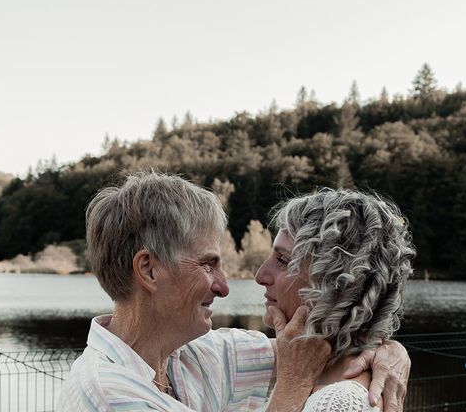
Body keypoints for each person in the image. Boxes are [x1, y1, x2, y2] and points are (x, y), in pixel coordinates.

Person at [58, 171, 410, 411]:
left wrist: (389, 351)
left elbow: (312, 351)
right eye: (208, 265)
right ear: (149, 270)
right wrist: (291, 387)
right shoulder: (110, 397)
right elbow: (298, 365)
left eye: (283, 259)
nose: (225, 286)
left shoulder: (193, 356)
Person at [255, 188, 415, 412]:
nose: (260, 276)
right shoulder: (309, 375)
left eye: (282, 260)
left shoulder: (339, 403)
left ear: (336, 283)